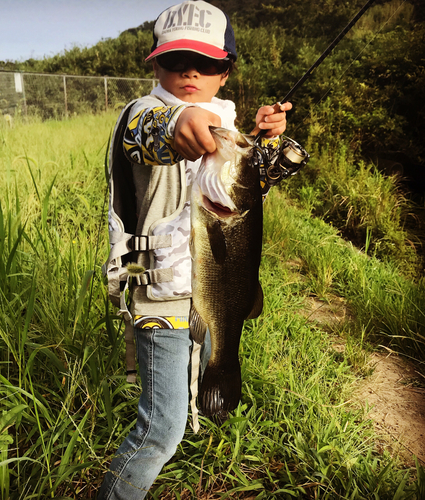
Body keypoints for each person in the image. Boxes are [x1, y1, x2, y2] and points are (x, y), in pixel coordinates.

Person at [98, 1, 291, 498]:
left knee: (196, 385)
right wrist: (178, 123)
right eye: (176, 58)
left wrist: (268, 141)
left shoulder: (227, 130)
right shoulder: (146, 116)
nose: (190, 70)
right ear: (154, 64)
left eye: (206, 62)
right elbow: (158, 133)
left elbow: (253, 181)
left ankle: (211, 385)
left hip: (206, 295)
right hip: (163, 300)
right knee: (159, 431)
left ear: (225, 73)